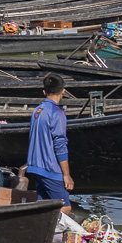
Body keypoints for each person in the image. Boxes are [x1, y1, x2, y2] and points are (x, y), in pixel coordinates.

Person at [26, 72, 73, 214]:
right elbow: (60, 144)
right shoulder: (57, 113)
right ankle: (47, 234)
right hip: (49, 168)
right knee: (65, 207)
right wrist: (66, 174)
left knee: (43, 206)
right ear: (63, 91)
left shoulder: (38, 110)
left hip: (35, 166)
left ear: (44, 91)